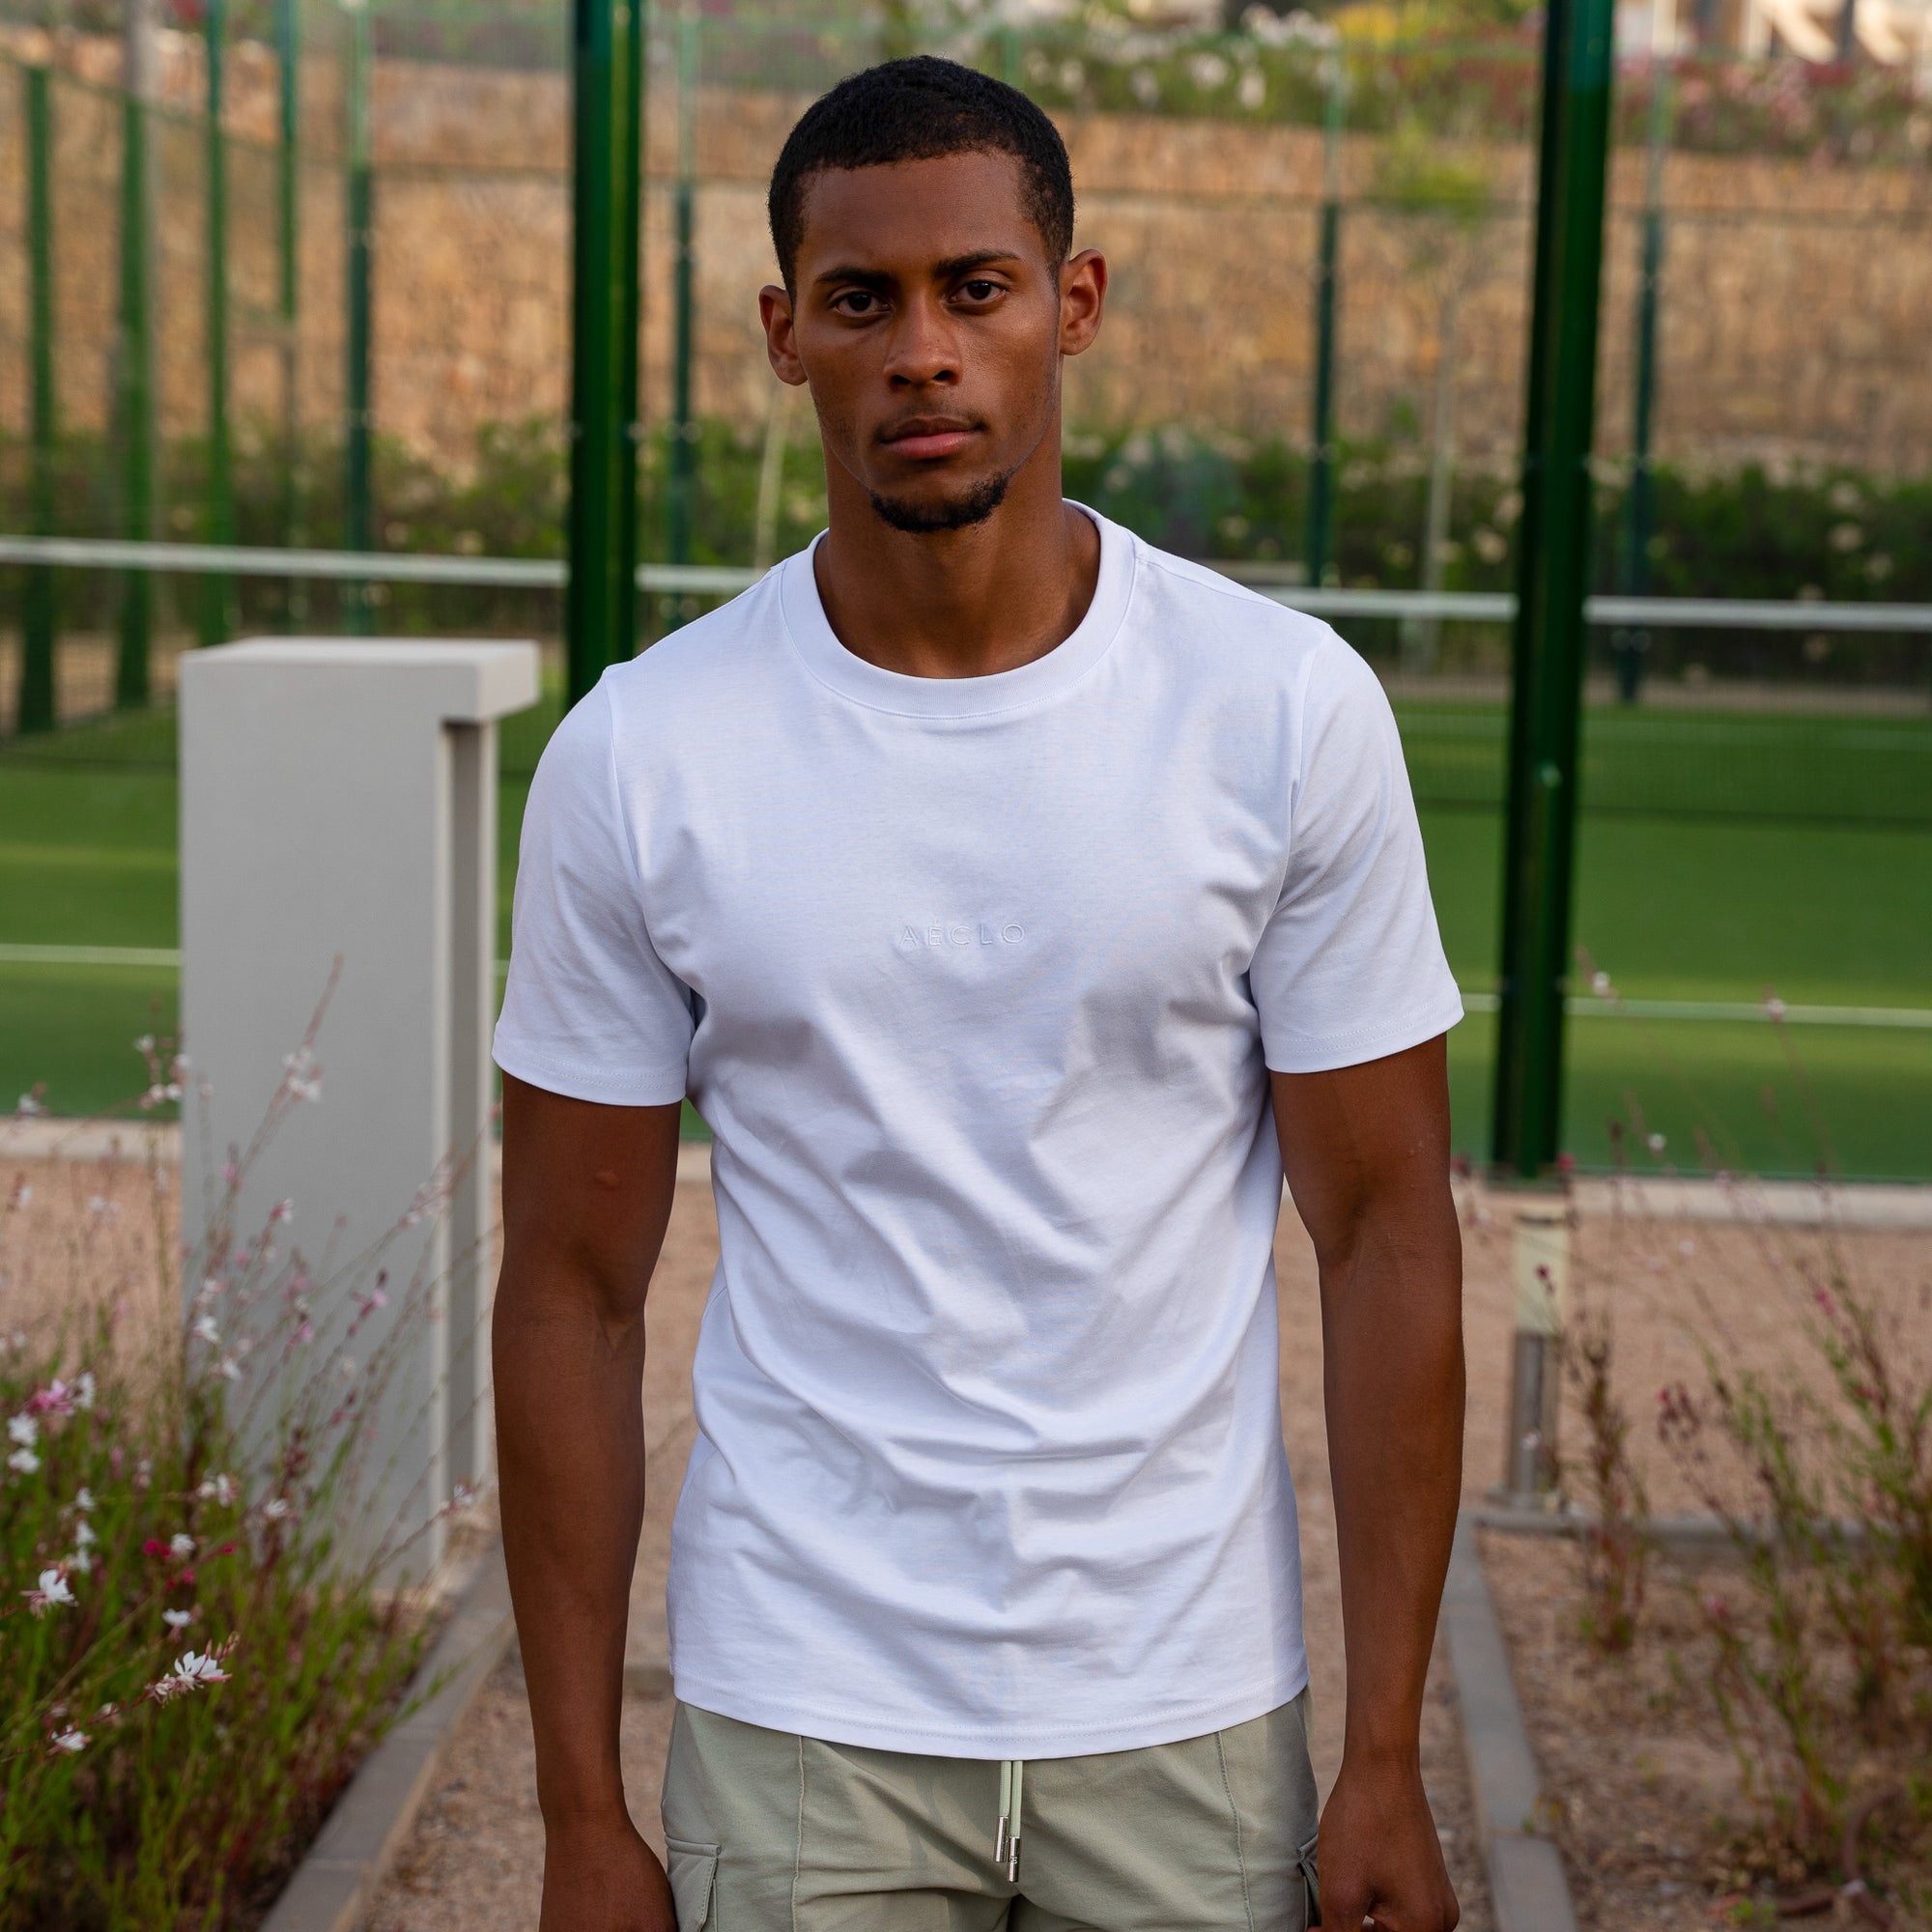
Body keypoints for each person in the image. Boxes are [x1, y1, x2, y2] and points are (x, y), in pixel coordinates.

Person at [493, 54, 1465, 1932]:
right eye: (862, 301)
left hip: (1180, 1701)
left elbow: (1387, 1235)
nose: (921, 350)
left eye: (975, 290)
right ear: (787, 336)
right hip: (800, 1711)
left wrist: (1388, 1758)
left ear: (1071, 304)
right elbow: (568, 1290)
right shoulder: (644, 755)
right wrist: (574, 1816)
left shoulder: (1278, 710)